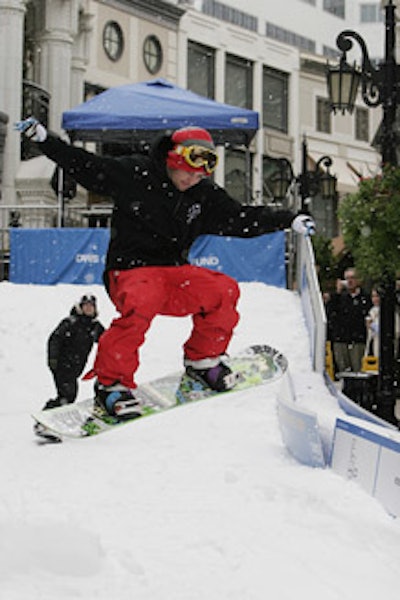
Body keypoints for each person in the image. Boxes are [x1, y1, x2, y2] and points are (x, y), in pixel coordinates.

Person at [15, 116, 315, 419]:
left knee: (222, 290)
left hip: (173, 275)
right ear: (173, 158)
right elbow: (87, 166)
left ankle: (203, 361)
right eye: (188, 171)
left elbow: (241, 217)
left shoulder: (202, 195)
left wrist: (287, 219)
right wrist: (44, 139)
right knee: (142, 300)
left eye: (200, 176)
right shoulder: (136, 172)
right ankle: (112, 384)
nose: (191, 180)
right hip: (129, 272)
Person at [43, 294, 105, 410]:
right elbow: (54, 339)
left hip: (75, 368)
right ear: (80, 307)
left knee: (69, 397)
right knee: (68, 395)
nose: (88, 308)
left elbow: (106, 340)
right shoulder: (70, 322)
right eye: (86, 305)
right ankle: (46, 418)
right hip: (62, 364)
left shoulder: (94, 326)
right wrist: (53, 358)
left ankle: (54, 415)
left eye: (91, 306)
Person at [326, 267, 372, 374]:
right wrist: (337, 292)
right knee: (344, 370)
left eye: (353, 278)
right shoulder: (339, 298)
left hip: (357, 339)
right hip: (341, 339)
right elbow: (330, 312)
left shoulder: (365, 298)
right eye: (347, 278)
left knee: (358, 369)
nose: (350, 281)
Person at [365, 287, 380, 358]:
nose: (375, 299)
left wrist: (373, 325)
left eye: (377, 296)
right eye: (373, 296)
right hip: (373, 343)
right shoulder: (371, 310)